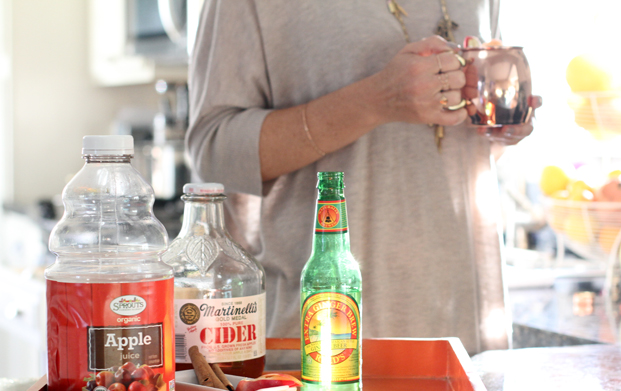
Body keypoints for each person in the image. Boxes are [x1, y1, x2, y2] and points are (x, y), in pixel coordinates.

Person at [186, 0, 538, 357]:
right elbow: (213, 151)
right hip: (328, 338)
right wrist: (375, 101)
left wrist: (499, 120)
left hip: (467, 330)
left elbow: (441, 157)